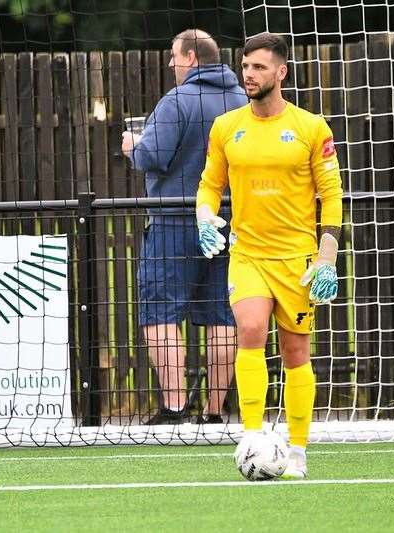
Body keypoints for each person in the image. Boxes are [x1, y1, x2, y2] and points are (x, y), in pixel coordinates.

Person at [196, 32, 343, 478]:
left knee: (296, 352)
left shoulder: (311, 127)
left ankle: (297, 451)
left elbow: (331, 195)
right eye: (245, 66)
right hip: (249, 255)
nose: (249, 74)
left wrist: (327, 259)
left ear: (280, 72)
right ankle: (252, 435)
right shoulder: (226, 127)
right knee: (251, 329)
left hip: (297, 260)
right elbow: (209, 184)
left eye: (259, 67)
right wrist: (204, 217)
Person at [122, 29, 247, 424]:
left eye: (174, 56)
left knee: (160, 312)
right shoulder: (243, 101)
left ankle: (174, 408)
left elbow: (153, 156)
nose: (171, 64)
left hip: (175, 221)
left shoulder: (177, 101)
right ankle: (213, 411)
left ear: (191, 58)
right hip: (229, 223)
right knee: (222, 316)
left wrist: (132, 146)